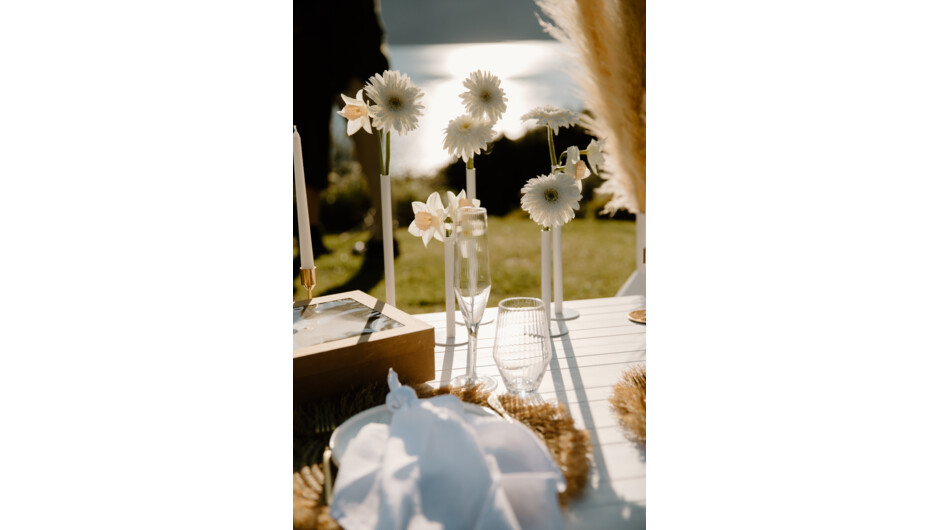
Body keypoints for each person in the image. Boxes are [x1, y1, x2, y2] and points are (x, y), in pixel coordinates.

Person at [294, 0, 395, 261]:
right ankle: (313, 234)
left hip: (341, 67)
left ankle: (381, 234)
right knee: (313, 150)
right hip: (325, 65)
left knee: (369, 158)